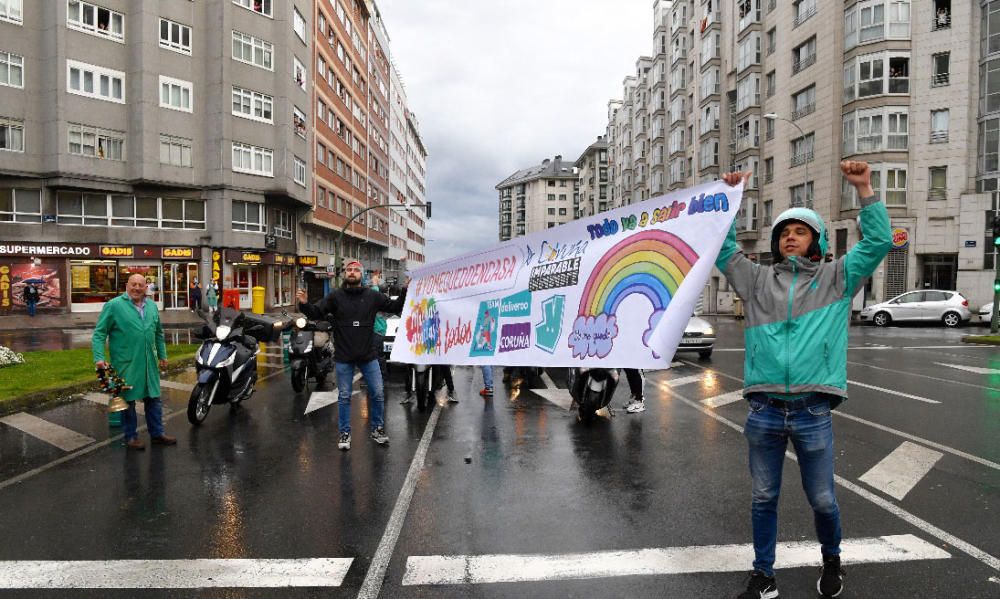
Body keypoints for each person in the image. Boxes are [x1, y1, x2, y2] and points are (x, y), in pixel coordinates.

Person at [720, 162, 891, 599]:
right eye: (783, 232)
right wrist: (731, 200)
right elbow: (723, 251)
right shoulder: (757, 282)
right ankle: (764, 576)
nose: (789, 236)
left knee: (822, 499)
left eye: (799, 230)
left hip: (813, 410)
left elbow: (878, 241)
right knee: (762, 498)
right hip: (764, 411)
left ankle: (832, 560)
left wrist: (865, 190)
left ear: (816, 241)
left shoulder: (838, 279)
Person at [296, 260, 407, 450]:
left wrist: (405, 290)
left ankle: (377, 429)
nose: (352, 272)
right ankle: (345, 433)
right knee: (344, 396)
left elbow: (395, 307)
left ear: (361, 275)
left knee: (378, 393)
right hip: (344, 358)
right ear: (345, 274)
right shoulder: (335, 297)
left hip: (368, 356)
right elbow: (316, 312)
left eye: (356, 270)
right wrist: (305, 304)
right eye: (349, 270)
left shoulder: (373, 296)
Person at [92, 274, 177, 450]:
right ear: (127, 286)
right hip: (126, 363)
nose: (137, 288)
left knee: (153, 398)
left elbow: (158, 333)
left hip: (149, 362)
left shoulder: (152, 306)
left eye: (141, 285)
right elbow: (100, 333)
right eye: (133, 284)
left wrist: (163, 355)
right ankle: (131, 437)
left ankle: (157, 434)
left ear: (146, 287)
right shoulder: (114, 306)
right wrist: (99, 358)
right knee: (127, 401)